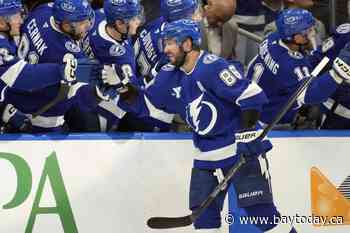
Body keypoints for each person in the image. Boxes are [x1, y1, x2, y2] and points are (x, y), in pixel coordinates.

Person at [114, 18, 301, 232]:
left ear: (187, 44)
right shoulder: (167, 75)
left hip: (239, 149)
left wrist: (247, 133)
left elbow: (252, 95)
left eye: (170, 43)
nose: (165, 49)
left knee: (262, 215)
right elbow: (146, 105)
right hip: (205, 157)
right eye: (164, 43)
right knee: (204, 221)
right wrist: (123, 90)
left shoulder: (212, 67)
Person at [0, 0, 101, 133]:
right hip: (41, 116)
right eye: (16, 16)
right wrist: (99, 90)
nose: (21, 19)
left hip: (18, 98)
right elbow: (21, 75)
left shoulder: (42, 12)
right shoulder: (66, 52)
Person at [246, 8, 350, 129]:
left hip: (255, 103)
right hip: (269, 121)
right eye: (308, 30)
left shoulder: (272, 38)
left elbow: (309, 60)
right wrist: (337, 73)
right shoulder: (291, 64)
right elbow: (310, 95)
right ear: (296, 38)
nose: (313, 33)